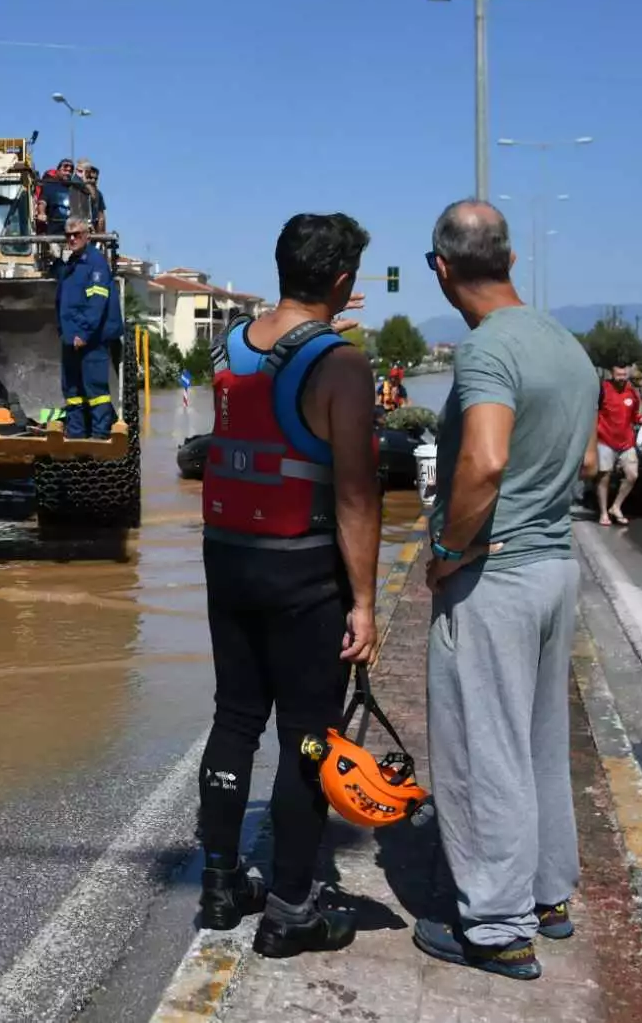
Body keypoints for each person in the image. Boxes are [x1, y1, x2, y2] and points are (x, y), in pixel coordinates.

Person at [416, 200, 598, 982]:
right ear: (513, 259)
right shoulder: (568, 345)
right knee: (537, 742)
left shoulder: (486, 350)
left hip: (498, 573)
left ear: (441, 268)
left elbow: (484, 461)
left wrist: (451, 548)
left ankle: (494, 925)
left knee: (483, 748)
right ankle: (548, 893)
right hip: (557, 566)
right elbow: (586, 467)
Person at [195, 212, 379, 957]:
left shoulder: (230, 346)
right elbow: (359, 495)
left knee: (236, 717)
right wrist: (364, 601)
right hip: (300, 568)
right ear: (341, 281)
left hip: (226, 557)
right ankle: (291, 909)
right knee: (307, 736)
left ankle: (218, 884)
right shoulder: (341, 364)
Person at [53, 217, 120, 436]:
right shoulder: (71, 265)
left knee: (96, 391)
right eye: (68, 235)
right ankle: (76, 437)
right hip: (70, 339)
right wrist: (63, 331)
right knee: (72, 392)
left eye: (77, 234)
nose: (72, 239)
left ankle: (100, 440)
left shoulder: (96, 263)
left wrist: (83, 333)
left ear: (87, 236)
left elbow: (96, 304)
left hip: (90, 341)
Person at [594, 362, 642, 526]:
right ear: (611, 374)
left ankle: (615, 506)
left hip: (626, 442)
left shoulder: (632, 392)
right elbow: (592, 412)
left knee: (632, 475)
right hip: (605, 439)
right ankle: (603, 513)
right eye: (618, 375)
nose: (621, 378)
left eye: (624, 375)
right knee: (604, 476)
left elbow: (635, 415)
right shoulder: (602, 389)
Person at [36, 158, 77, 235]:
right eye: (65, 170)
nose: (68, 173)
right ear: (57, 171)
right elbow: (42, 202)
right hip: (54, 235)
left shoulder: (75, 189)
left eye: (70, 171)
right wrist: (41, 213)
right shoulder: (49, 186)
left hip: (72, 235)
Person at [78, 162, 107, 233]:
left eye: (95, 179)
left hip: (93, 233)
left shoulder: (99, 194)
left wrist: (101, 235)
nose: (93, 181)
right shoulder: (76, 191)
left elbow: (101, 216)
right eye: (90, 178)